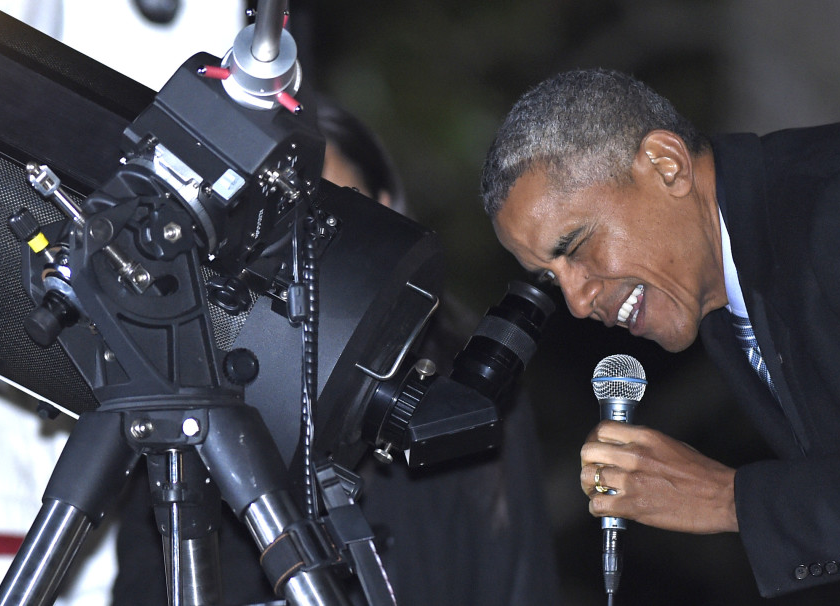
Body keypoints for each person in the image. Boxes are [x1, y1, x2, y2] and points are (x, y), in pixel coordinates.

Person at [479, 67, 840, 605]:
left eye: (576, 246)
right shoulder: (724, 303)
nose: (578, 301)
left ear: (666, 164)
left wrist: (728, 499)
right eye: (551, 278)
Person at [113, 95, 560, 605]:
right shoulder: (190, 386)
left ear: (388, 209)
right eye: (287, 224)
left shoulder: (467, 391)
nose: (308, 250)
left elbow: (519, 581)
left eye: (331, 215)